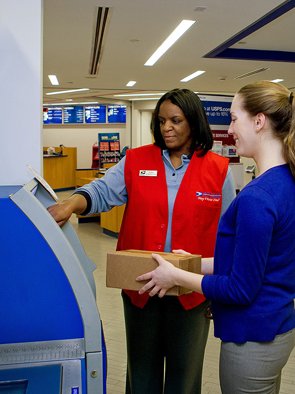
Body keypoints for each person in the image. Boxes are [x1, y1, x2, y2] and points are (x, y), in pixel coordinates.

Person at [136, 81, 295, 394]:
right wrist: (192, 263)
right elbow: (252, 262)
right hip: (279, 326)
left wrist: (176, 276)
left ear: (259, 121)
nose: (230, 129)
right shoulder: (286, 181)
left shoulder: (257, 198)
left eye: (235, 118)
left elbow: (239, 288)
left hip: (252, 340)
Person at [47, 88, 236, 394]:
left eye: (175, 120)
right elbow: (100, 191)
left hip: (191, 291)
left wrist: (219, 289)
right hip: (141, 287)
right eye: (161, 121)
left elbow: (229, 236)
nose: (166, 128)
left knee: (184, 378)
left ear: (193, 122)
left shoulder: (218, 170)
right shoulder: (136, 160)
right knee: (141, 374)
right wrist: (71, 204)